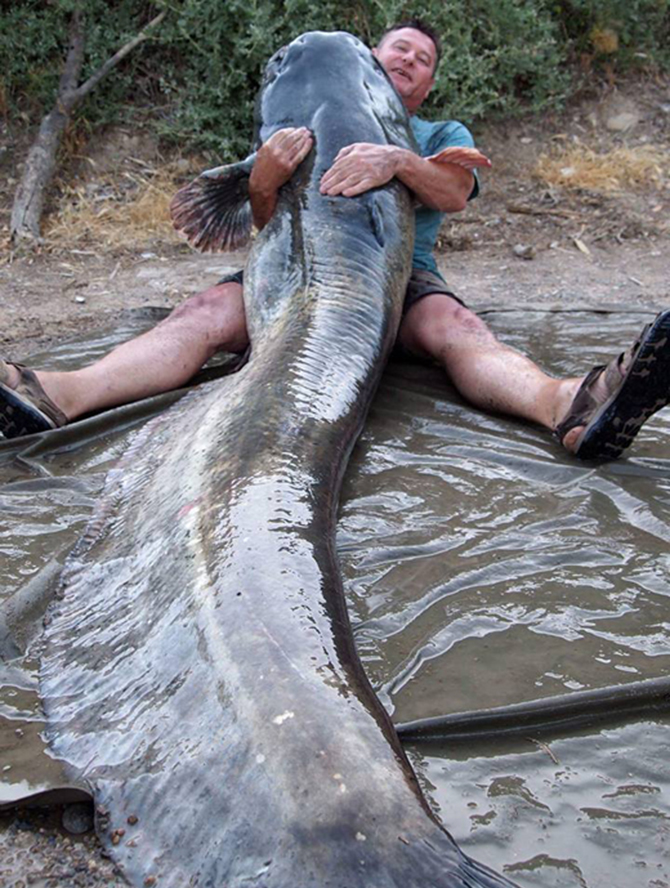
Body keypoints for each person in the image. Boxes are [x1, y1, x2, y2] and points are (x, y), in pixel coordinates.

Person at [1, 20, 668, 459]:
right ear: (373, 63)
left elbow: (456, 193)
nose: (408, 57)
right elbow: (253, 223)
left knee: (459, 326)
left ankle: (570, 405)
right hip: (285, 273)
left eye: (423, 57)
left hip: (397, 284)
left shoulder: (439, 136)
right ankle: (55, 394)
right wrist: (263, 179)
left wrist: (397, 162)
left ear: (429, 83)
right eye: (397, 47)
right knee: (200, 315)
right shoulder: (292, 133)